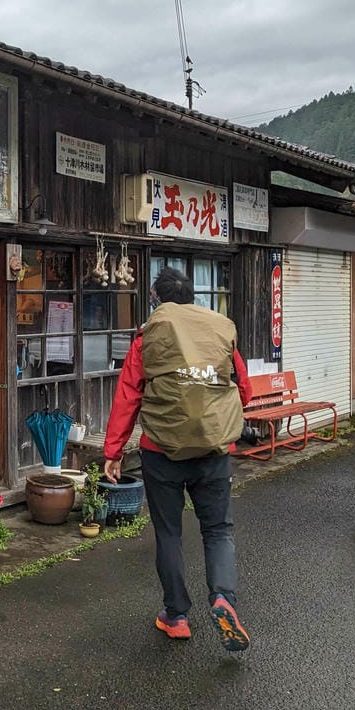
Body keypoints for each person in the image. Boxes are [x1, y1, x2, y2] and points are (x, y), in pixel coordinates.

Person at [103, 266, 253, 651]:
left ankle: (176, 616)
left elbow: (128, 397)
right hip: (213, 451)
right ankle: (223, 598)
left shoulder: (147, 337)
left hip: (161, 452)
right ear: (191, 296)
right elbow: (245, 391)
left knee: (169, 533)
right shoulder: (218, 331)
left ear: (157, 299)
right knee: (218, 530)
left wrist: (113, 452)